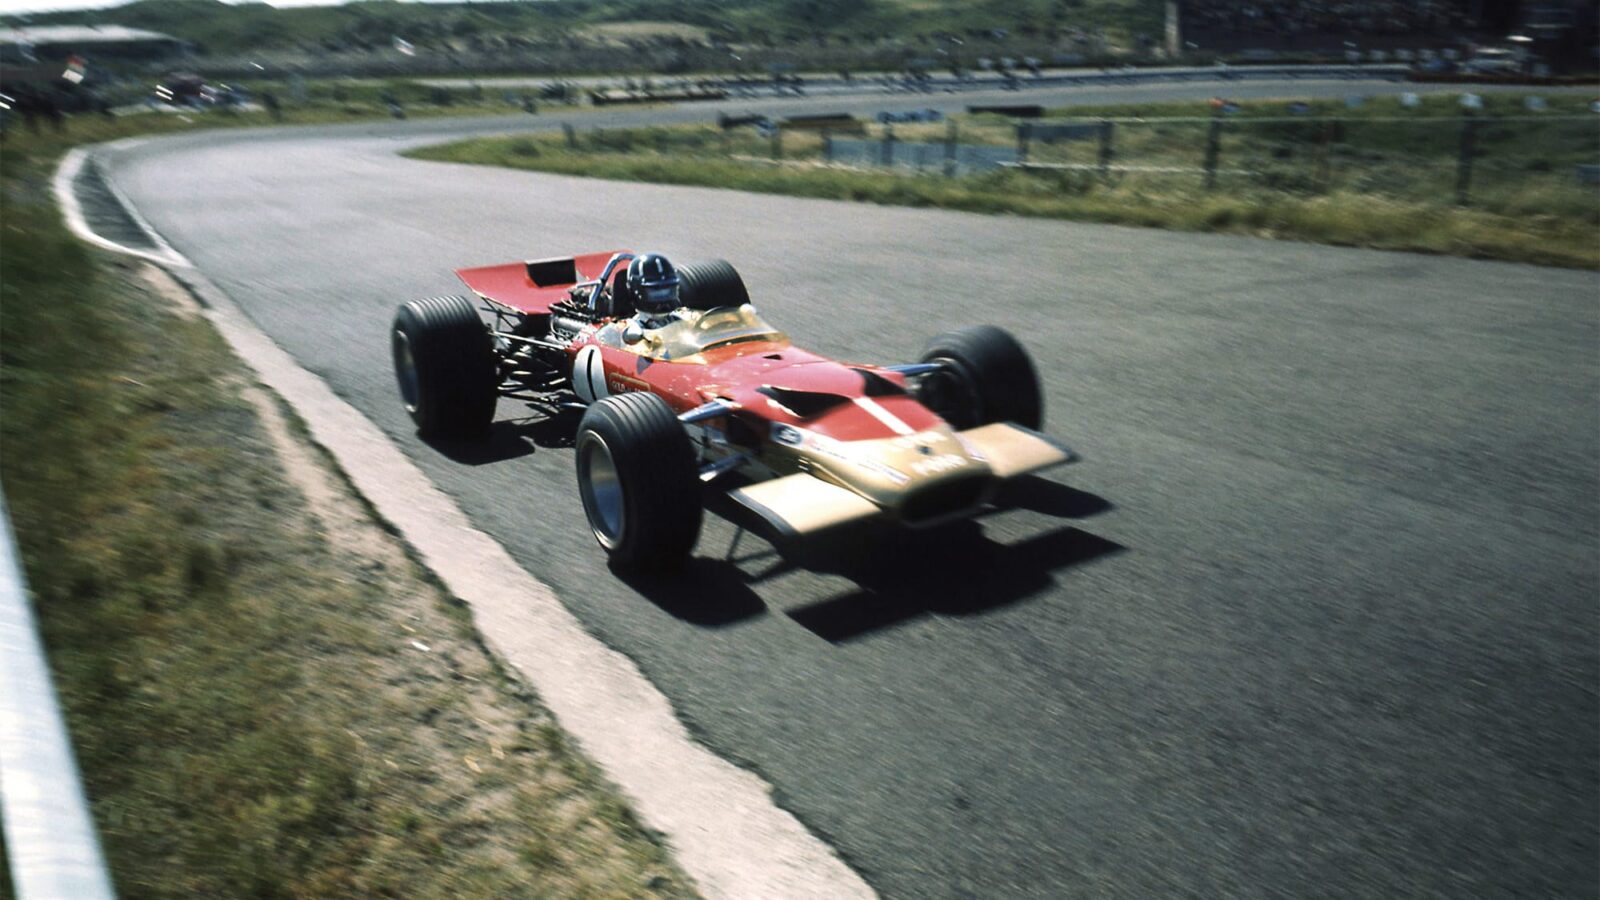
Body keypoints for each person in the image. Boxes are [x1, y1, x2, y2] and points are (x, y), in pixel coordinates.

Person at [623, 252, 684, 332]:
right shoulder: (631, 329)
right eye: (656, 293)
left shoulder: (679, 320)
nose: (664, 300)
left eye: (668, 292)